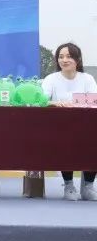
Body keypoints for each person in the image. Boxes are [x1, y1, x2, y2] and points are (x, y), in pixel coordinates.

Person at [43, 42, 97, 201]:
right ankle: (69, 185)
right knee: (64, 143)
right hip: (59, 127)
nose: (64, 60)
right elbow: (41, 100)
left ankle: (88, 187)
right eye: (61, 57)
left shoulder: (87, 78)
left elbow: (94, 100)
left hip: (85, 126)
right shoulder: (51, 79)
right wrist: (53, 103)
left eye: (68, 56)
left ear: (77, 59)